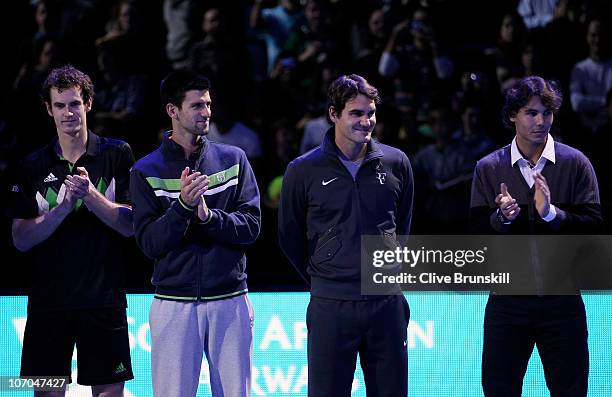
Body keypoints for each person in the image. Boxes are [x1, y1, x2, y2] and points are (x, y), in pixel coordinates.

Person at [278, 74, 413, 396]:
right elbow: (289, 236)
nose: (366, 121)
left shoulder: (397, 163)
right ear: (334, 114)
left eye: (370, 113)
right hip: (331, 305)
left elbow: (403, 227)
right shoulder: (302, 170)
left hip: (386, 302)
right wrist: (325, 277)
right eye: (356, 113)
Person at [130, 70, 260, 397]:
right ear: (173, 111)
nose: (207, 113)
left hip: (230, 299)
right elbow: (149, 242)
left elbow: (251, 226)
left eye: (208, 104)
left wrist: (208, 216)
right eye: (197, 106)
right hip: (173, 303)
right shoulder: (146, 170)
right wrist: (183, 208)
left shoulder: (234, 160)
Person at [470, 76, 602, 396]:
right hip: (507, 303)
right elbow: (474, 236)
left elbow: (594, 228)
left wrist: (552, 215)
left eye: (547, 113)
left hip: (563, 302)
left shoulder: (575, 164)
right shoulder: (489, 168)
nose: (541, 121)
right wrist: (501, 218)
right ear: (513, 115)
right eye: (531, 113)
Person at [8, 65, 135, 396]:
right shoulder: (31, 166)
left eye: (75, 104)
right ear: (49, 110)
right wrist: (63, 208)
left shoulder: (116, 154)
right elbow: (20, 239)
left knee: (109, 391)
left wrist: (90, 195)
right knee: (47, 391)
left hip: (104, 299)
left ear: (88, 104)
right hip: (48, 302)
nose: (68, 113)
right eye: (60, 106)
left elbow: (131, 226)